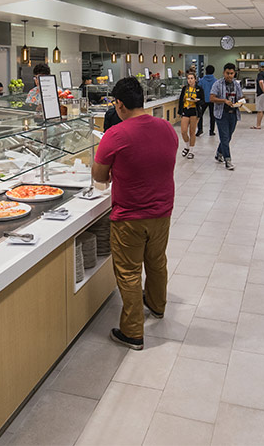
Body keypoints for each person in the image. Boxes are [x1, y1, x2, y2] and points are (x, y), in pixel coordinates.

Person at [92, 77, 178, 350]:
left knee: (128, 273)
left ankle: (132, 332)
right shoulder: (167, 128)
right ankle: (157, 304)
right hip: (162, 212)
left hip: (129, 215)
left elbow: (99, 176)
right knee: (156, 261)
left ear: (119, 104)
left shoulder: (115, 135)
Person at [210, 63, 243, 170]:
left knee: (228, 137)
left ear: (234, 74)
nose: (229, 75)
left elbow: (240, 97)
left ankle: (219, 153)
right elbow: (212, 98)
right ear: (224, 73)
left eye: (232, 73)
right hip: (221, 114)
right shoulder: (217, 84)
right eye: (227, 73)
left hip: (233, 114)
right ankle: (228, 160)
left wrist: (240, 102)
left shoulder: (237, 84)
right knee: (224, 137)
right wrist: (224, 100)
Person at [178, 71, 206, 159]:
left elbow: (203, 101)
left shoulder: (199, 89)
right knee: (183, 131)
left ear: (195, 79)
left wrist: (197, 101)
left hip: (195, 111)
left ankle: (191, 150)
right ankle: (187, 146)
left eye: (191, 78)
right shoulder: (184, 89)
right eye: (188, 78)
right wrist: (180, 111)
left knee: (192, 132)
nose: (190, 80)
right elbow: (181, 100)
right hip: (186, 110)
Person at [197, 65, 217, 137]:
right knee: (212, 116)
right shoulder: (216, 81)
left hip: (203, 100)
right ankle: (211, 131)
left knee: (200, 115)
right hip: (212, 100)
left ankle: (200, 129)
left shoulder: (201, 80)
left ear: (206, 71)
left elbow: (198, 89)